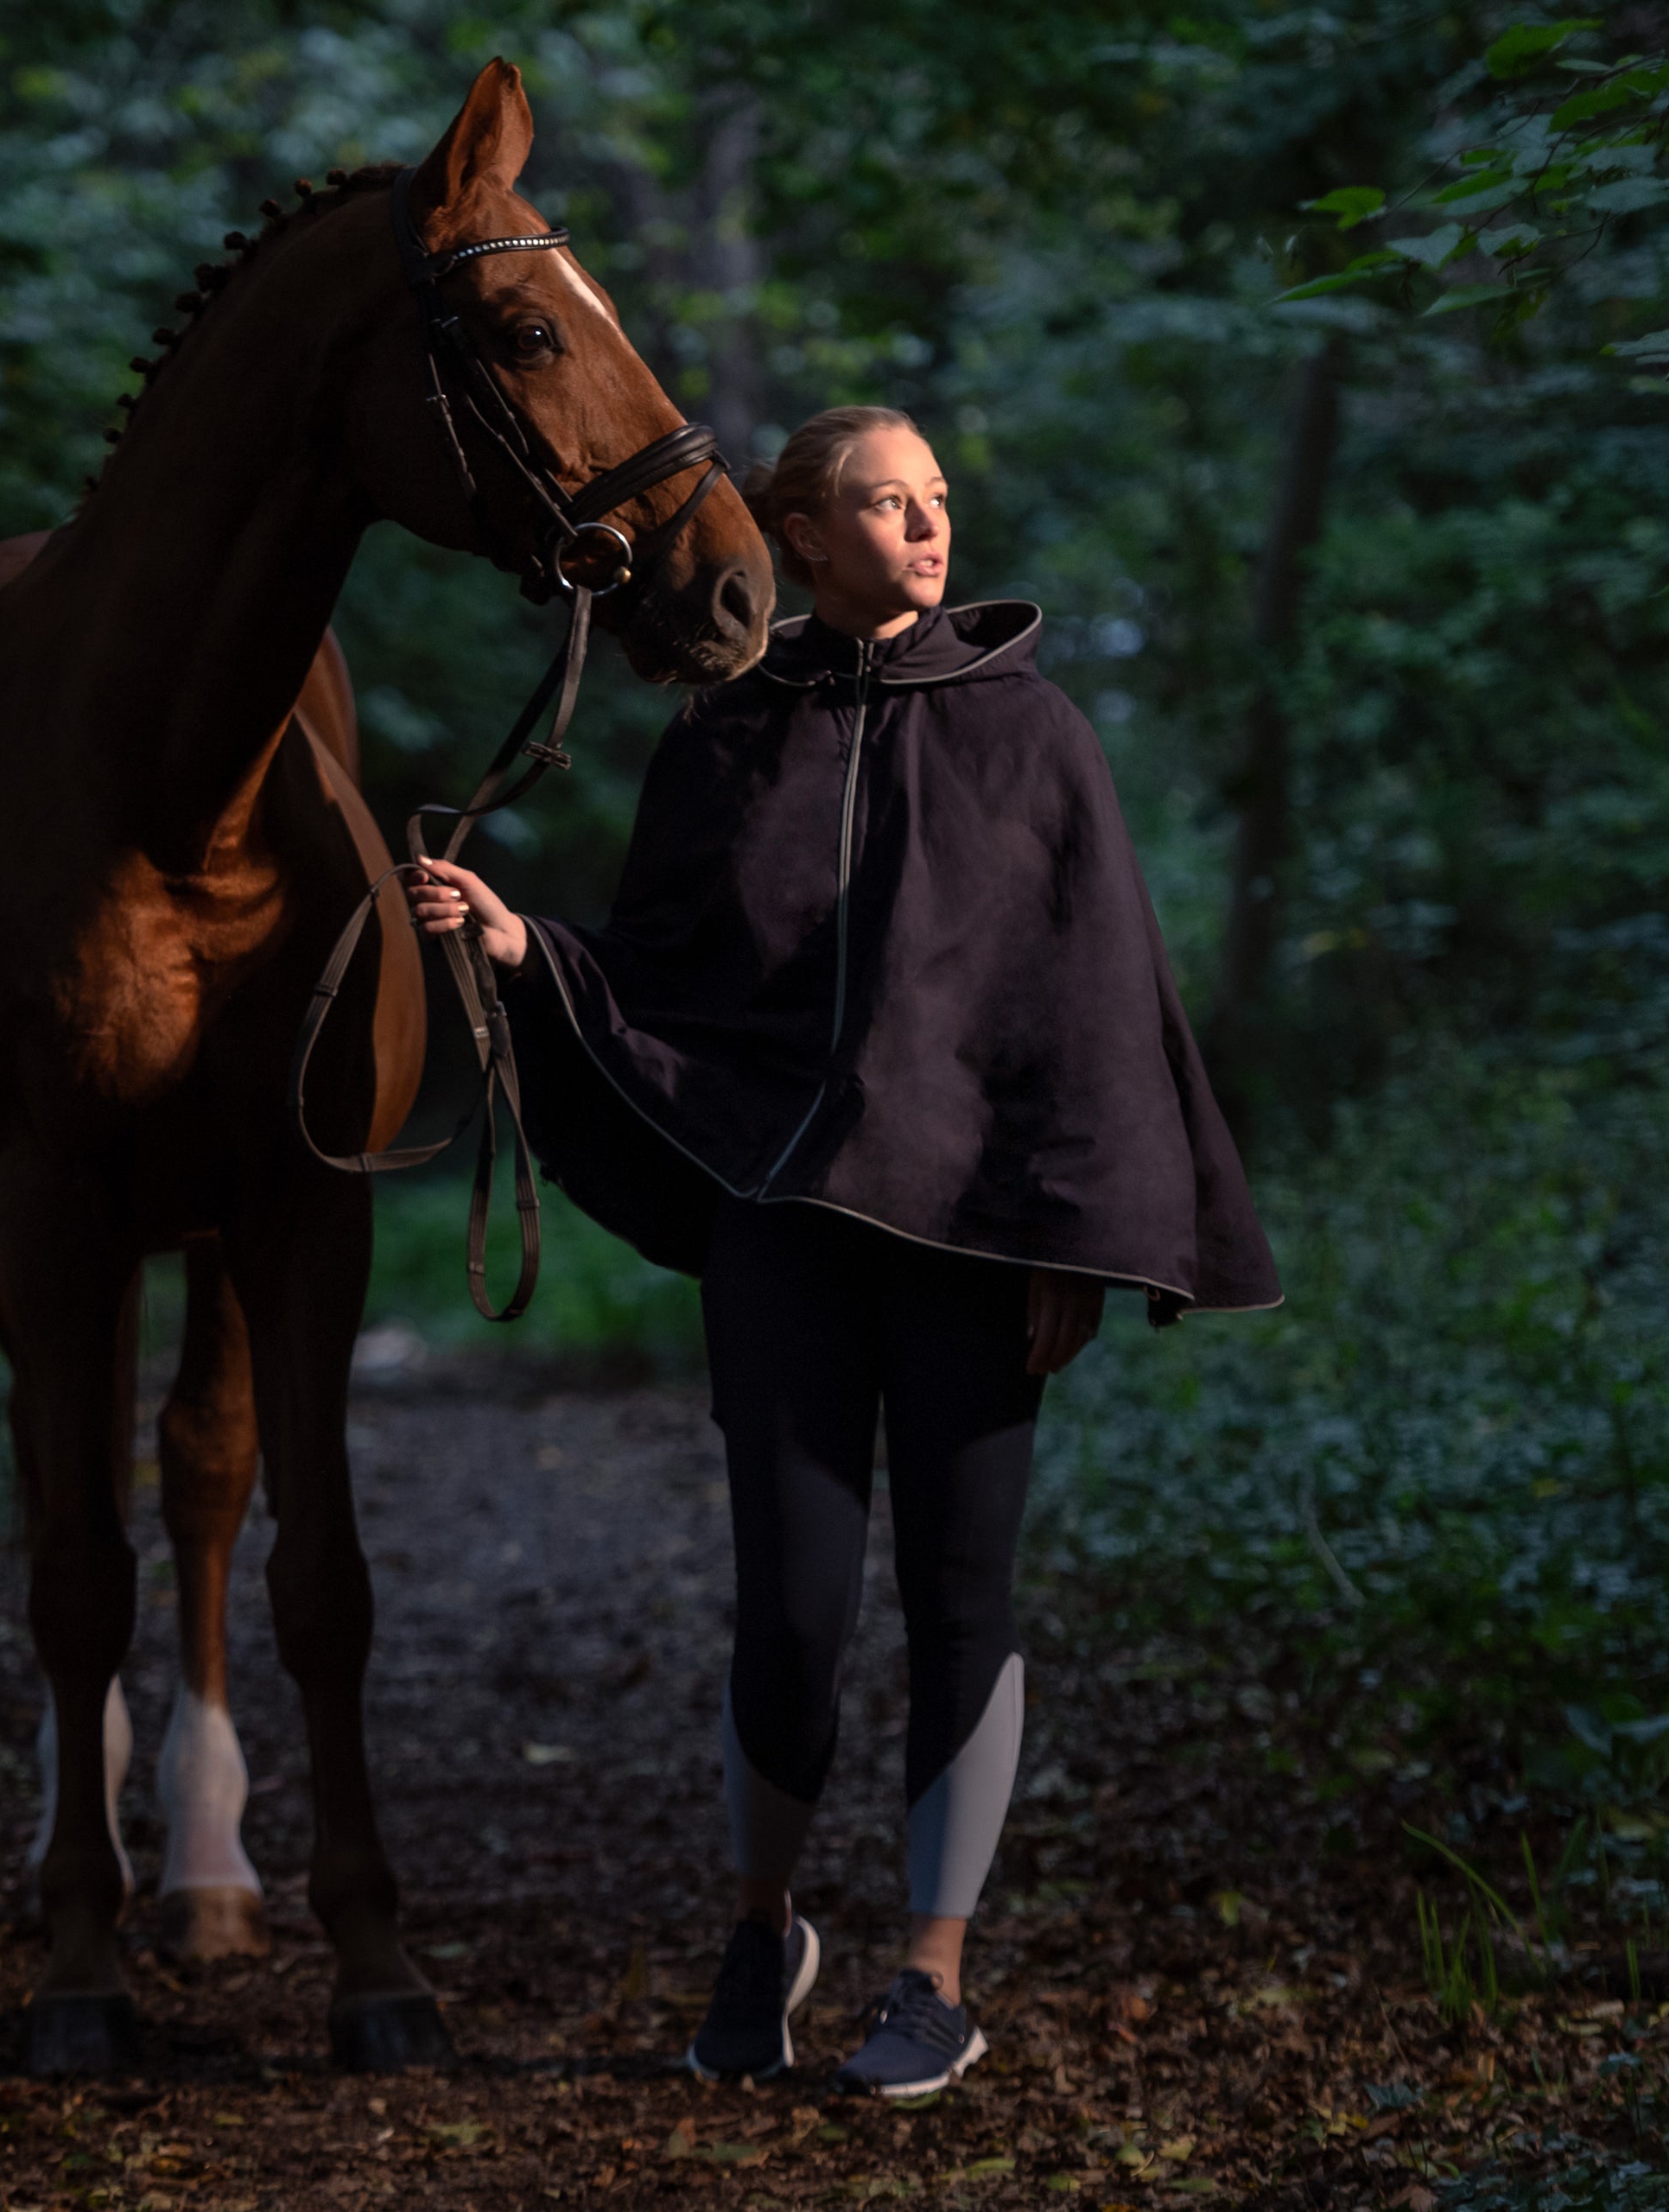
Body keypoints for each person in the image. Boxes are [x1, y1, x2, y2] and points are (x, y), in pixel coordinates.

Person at [410, 404, 1277, 2100]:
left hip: (976, 1242)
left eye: (939, 500)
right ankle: (761, 1924)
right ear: (802, 533)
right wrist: (523, 949)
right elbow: (663, 979)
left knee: (961, 1599)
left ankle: (934, 1972)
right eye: (888, 505)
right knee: (790, 1612)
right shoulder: (726, 732)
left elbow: (1093, 1008)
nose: (929, 529)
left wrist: (1076, 1237)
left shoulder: (1035, 736)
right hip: (786, 1233)